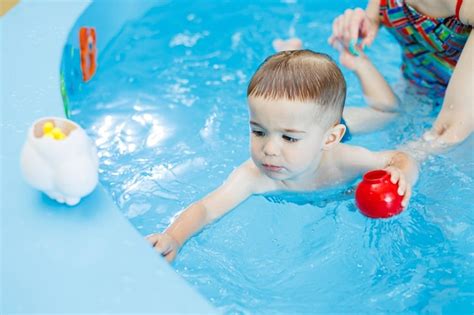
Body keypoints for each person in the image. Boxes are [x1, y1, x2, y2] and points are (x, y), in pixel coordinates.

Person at [146, 50, 419, 262]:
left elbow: (400, 157)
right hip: (314, 126)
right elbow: (205, 209)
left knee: (389, 115)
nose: (270, 149)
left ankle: (359, 63)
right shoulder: (254, 176)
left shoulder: (344, 160)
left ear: (330, 139)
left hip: (337, 127)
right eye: (259, 131)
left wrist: (402, 174)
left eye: (289, 138)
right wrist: (174, 238)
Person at [328, 0, 473, 151]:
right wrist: (361, 23)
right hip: (414, 90)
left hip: (465, 120)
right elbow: (372, 18)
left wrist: (400, 159)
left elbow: (453, 128)